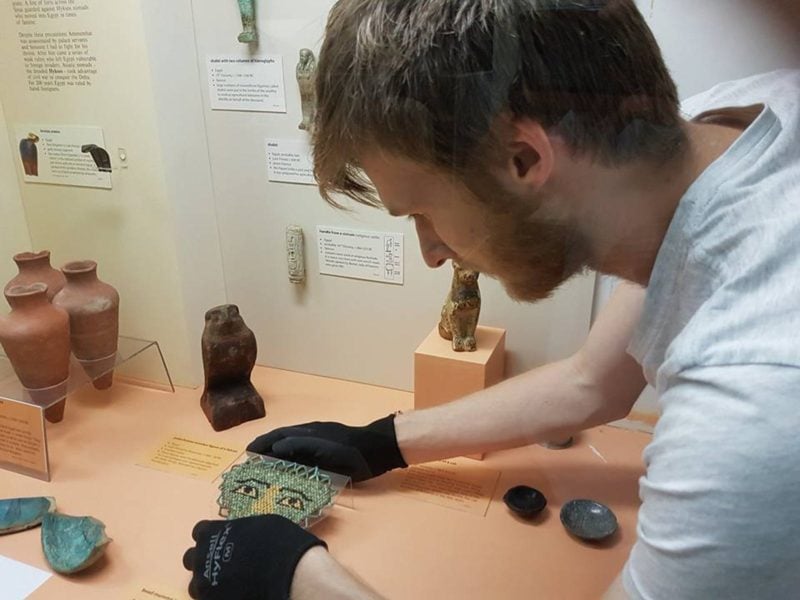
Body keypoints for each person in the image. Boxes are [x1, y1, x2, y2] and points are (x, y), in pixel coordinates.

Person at [182, 1, 800, 598]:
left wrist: (300, 584)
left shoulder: (754, 401)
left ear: (525, 158)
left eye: (423, 211)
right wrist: (383, 441)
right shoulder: (722, 126)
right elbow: (593, 382)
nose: (430, 251)